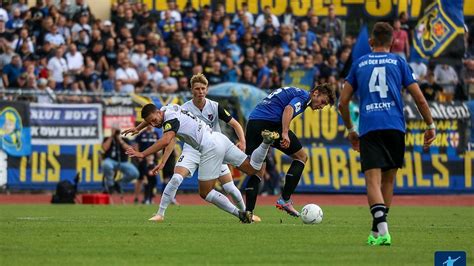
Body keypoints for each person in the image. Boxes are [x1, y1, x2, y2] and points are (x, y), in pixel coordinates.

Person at [339, 22, 436, 246]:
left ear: (371, 42)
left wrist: (351, 129)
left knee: (372, 180)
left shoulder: (359, 63)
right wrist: (430, 125)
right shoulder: (399, 61)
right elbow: (420, 98)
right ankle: (377, 232)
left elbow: (343, 102)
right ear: (393, 42)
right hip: (395, 126)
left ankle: (383, 231)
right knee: (389, 179)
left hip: (370, 126)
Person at [123, 103, 279, 223]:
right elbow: (151, 120)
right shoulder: (167, 108)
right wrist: (138, 128)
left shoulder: (170, 119)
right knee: (252, 168)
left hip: (209, 148)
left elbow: (165, 141)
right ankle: (265, 143)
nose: (154, 124)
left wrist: (142, 153)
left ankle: (240, 214)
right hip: (219, 138)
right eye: (151, 122)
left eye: (155, 120)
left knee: (205, 192)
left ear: (159, 112)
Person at [127, 73, 252, 221]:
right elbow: (159, 122)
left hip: (213, 147)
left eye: (203, 88)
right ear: (191, 90)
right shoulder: (181, 108)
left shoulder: (214, 106)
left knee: (229, 187)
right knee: (176, 179)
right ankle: (160, 214)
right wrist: (139, 129)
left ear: (206, 89)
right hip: (192, 149)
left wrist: (242, 141)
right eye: (197, 89)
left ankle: (246, 212)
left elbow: (235, 124)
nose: (200, 91)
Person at [244, 84, 336, 218]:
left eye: (324, 105)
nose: (321, 107)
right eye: (323, 102)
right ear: (315, 93)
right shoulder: (304, 97)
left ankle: (248, 213)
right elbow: (288, 109)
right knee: (301, 157)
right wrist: (285, 132)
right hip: (271, 124)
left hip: (253, 123)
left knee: (257, 170)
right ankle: (285, 200)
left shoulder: (295, 91)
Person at [102, 126, 139, 193]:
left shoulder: (125, 139)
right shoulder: (107, 138)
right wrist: (111, 136)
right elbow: (104, 148)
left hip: (123, 162)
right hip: (111, 160)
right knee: (105, 164)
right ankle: (111, 185)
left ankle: (119, 183)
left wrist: (120, 140)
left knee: (135, 173)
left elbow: (129, 150)